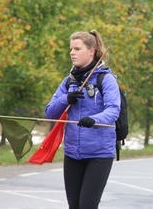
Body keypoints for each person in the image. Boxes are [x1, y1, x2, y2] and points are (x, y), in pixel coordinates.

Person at [45, 30, 120, 208]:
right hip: (72, 153)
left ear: (91, 51)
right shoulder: (68, 81)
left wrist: (93, 119)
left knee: (87, 206)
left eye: (77, 48)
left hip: (99, 154)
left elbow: (113, 110)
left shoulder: (106, 79)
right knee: (74, 206)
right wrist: (66, 99)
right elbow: (50, 113)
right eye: (71, 49)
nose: (72, 52)